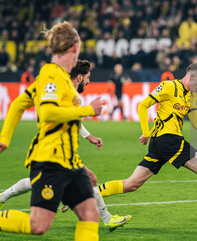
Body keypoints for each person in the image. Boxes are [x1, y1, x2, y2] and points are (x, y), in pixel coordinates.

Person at [98, 61, 197, 225]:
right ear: (193, 75)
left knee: (132, 184)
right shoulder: (168, 86)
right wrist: (146, 133)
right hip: (168, 140)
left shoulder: (192, 95)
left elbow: (195, 122)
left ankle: (88, 193)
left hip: (161, 144)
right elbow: (142, 105)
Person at [0, 60, 131, 232]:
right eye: (88, 77)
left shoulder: (62, 89)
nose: (89, 81)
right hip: (53, 150)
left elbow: (70, 117)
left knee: (38, 183)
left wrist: (89, 136)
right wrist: (88, 111)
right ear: (79, 77)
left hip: (60, 151)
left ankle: (3, 196)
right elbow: (57, 115)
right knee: (40, 221)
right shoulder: (68, 94)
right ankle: (108, 219)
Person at [0, 21, 103, 240]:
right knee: (38, 225)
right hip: (50, 160)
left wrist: (5, 139)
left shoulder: (59, 79)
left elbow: (18, 105)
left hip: (70, 161)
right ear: (74, 48)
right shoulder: (51, 75)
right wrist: (87, 109)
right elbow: (47, 113)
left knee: (90, 214)